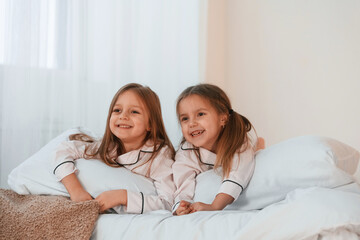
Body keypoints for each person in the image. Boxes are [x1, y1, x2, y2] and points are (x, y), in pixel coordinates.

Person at [53, 83, 176, 214]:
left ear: (150, 124)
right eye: (117, 110)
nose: (123, 116)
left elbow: (169, 203)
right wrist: (76, 190)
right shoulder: (108, 147)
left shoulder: (159, 157)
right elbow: (63, 150)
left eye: (134, 111)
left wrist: (123, 197)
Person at [172, 83, 265, 215]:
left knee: (253, 159)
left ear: (223, 118)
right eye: (185, 118)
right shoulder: (186, 152)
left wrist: (215, 206)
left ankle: (258, 147)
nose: (192, 123)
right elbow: (182, 183)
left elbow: (237, 175)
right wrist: (181, 206)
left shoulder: (237, 141)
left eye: (200, 114)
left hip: (234, 161)